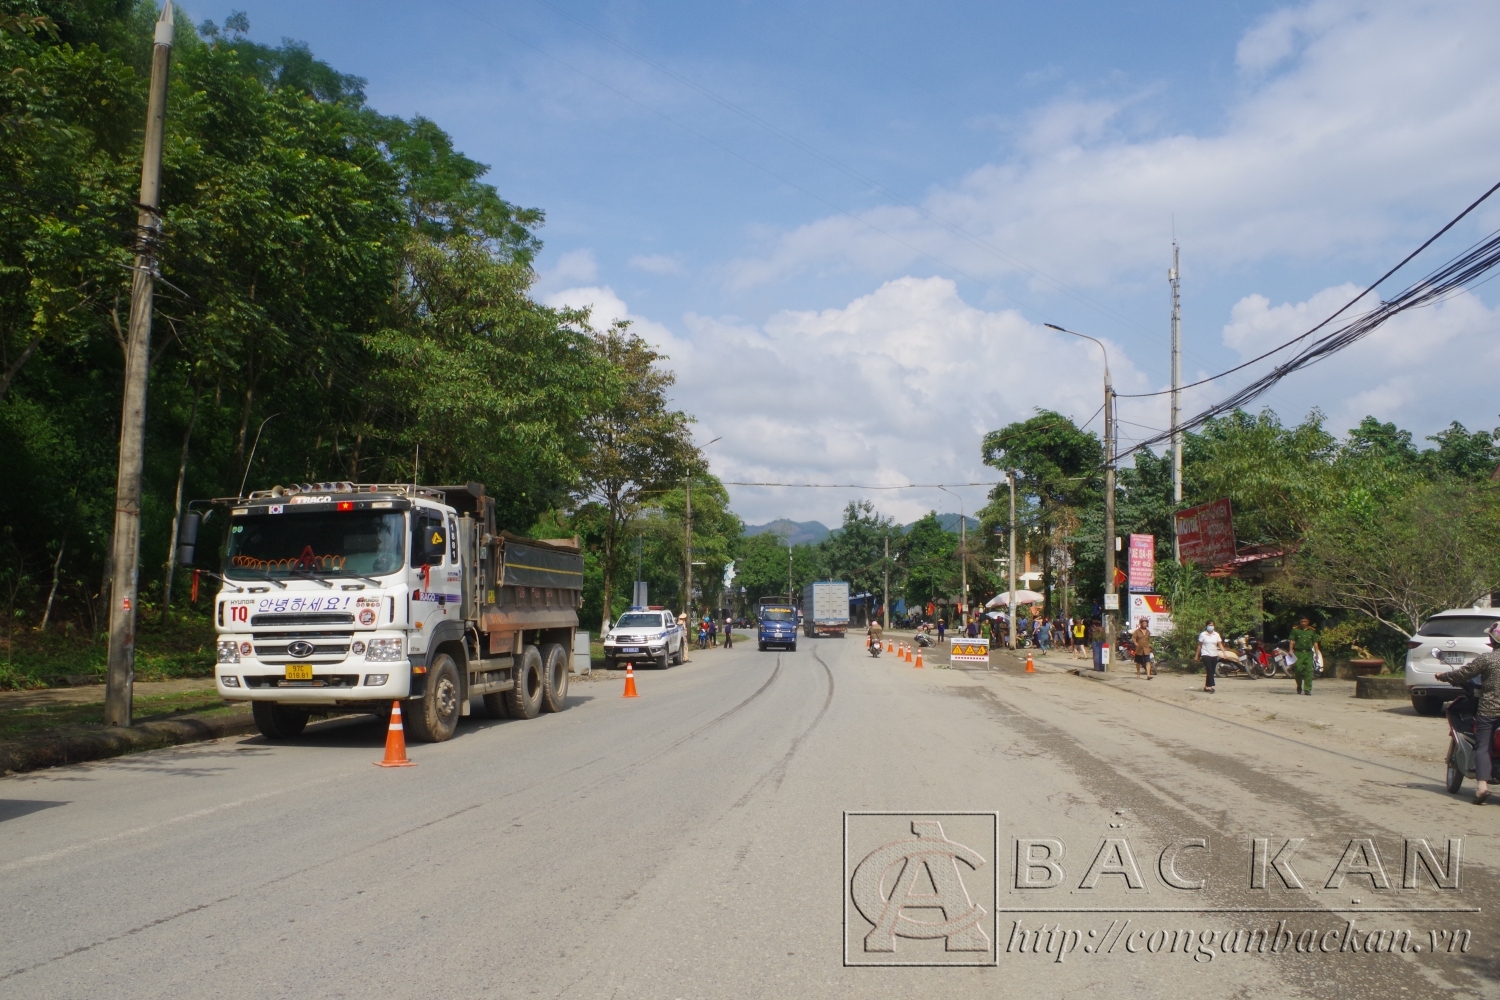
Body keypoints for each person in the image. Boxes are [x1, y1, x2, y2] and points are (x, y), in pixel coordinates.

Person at [1436, 622, 1500, 804]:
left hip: (1489, 710)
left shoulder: (1487, 659)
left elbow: (1463, 674)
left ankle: (1481, 788)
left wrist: (1443, 676)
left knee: (1482, 746)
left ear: (1491, 640)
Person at [1288, 617, 1321, 696]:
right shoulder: (1296, 630)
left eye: (1305, 621)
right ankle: (1299, 685)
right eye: (1302, 621)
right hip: (1298, 653)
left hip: (1308, 653)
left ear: (1308, 621)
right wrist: (1290, 650)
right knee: (1298, 670)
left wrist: (1317, 654)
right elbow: (1292, 641)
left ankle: (1307, 689)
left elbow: (1315, 643)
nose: (1303, 623)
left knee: (1308, 671)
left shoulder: (1312, 631)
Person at [1197, 621, 1223, 693]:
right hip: (1205, 654)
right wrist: (1197, 656)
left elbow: (1220, 644)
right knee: (1209, 670)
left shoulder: (1216, 635)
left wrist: (1224, 652)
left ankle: (1206, 686)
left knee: (1211, 670)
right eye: (1209, 625)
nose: (1210, 626)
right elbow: (1199, 646)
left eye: (1212, 625)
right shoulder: (1203, 634)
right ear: (1206, 626)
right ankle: (1211, 686)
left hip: (1214, 654)